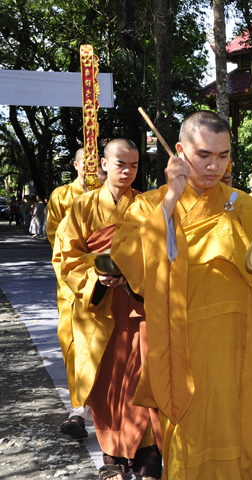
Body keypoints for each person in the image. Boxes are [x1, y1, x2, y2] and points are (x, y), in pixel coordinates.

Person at [111, 111, 252, 479]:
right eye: (203, 155)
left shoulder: (243, 205)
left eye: (223, 155)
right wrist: (171, 199)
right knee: (191, 449)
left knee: (248, 443)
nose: (214, 166)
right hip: (185, 355)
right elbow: (131, 260)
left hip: (244, 353)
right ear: (180, 151)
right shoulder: (151, 204)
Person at [60, 139, 162, 480]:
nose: (127, 171)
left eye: (134, 165)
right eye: (120, 163)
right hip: (100, 311)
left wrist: (134, 275)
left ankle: (148, 461)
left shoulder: (146, 205)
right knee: (109, 386)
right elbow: (65, 257)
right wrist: (96, 278)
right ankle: (112, 459)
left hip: (138, 306)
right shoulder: (83, 206)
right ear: (104, 164)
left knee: (142, 382)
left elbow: (159, 254)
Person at [46, 148, 93, 438]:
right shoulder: (61, 195)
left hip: (106, 281)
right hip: (71, 283)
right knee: (73, 343)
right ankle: (79, 410)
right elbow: (55, 237)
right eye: (84, 162)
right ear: (75, 165)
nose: (89, 167)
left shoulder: (114, 195)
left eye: (94, 162)